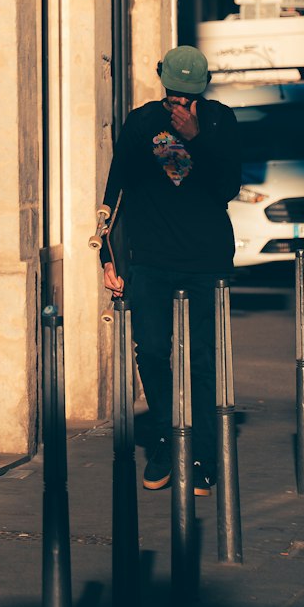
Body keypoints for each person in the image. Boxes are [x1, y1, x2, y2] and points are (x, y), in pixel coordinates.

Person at [99, 45, 241, 494]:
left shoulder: (220, 121)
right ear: (162, 81)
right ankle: (165, 439)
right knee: (154, 351)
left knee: (201, 359)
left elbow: (226, 188)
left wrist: (198, 137)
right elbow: (115, 191)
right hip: (152, 260)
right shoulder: (142, 123)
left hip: (205, 259)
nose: (180, 103)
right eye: (175, 93)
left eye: (189, 95)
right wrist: (108, 257)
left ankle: (200, 452)